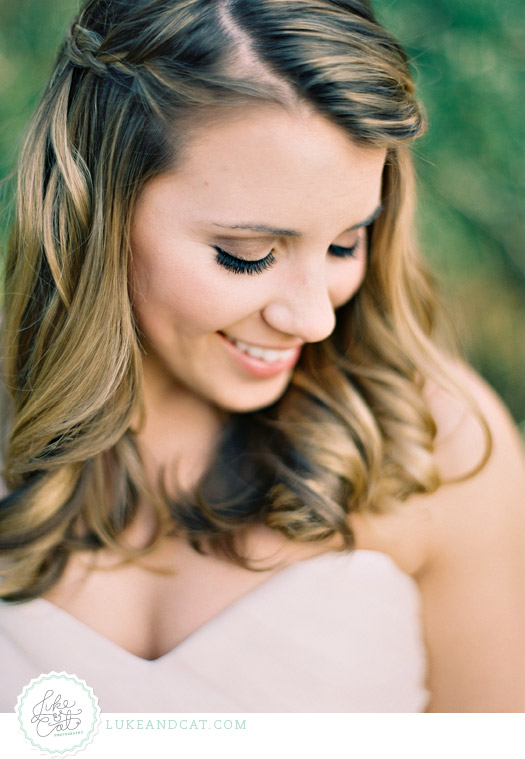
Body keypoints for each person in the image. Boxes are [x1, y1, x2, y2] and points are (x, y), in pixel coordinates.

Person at [0, 0, 523, 713]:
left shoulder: (438, 443)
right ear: (95, 210)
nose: (313, 318)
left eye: (345, 243)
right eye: (246, 256)